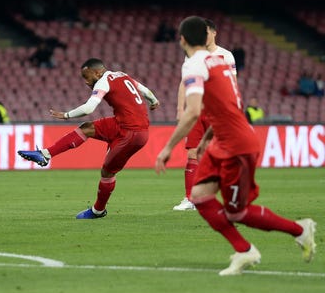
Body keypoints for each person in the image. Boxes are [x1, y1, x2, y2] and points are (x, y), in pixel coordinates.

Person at [155, 16, 316, 276]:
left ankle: (300, 230)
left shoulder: (194, 64)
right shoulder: (221, 61)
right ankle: (244, 250)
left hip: (237, 144)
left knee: (236, 212)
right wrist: (209, 134)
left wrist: (167, 148)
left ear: (182, 39)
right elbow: (227, 103)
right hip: (223, 138)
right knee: (199, 197)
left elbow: (194, 110)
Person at [17, 58, 160, 219]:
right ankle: (45, 154)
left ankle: (98, 211)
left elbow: (89, 108)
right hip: (123, 124)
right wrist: (154, 101)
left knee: (107, 173)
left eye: (87, 76)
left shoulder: (103, 81)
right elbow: (146, 91)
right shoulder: (122, 75)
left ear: (97, 72)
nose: (86, 82)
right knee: (86, 128)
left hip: (131, 133)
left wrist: (66, 115)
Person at [172, 18, 237, 212]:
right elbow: (184, 83)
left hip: (216, 111)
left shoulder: (226, 55)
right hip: (196, 109)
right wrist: (179, 109)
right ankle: (190, 199)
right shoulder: (192, 56)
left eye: (206, 32)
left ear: (214, 33)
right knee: (192, 152)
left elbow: (232, 84)